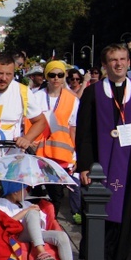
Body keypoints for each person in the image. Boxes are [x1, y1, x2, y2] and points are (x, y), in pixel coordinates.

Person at [76, 43, 131, 260]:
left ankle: (115, 259)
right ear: (105, 65)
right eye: (113, 60)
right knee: (101, 210)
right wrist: (85, 166)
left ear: (129, 63)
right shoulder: (94, 92)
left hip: (128, 164)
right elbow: (84, 132)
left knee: (125, 212)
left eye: (122, 59)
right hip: (101, 163)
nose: (118, 64)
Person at [0, 181, 86, 260]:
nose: (26, 192)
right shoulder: (2, 203)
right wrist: (27, 212)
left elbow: (42, 223)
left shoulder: (26, 203)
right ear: (15, 191)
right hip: (16, 234)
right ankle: (41, 251)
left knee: (62, 236)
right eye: (24, 189)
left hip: (36, 233)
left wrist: (36, 212)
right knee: (31, 213)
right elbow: (6, 222)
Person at [32, 61, 81, 216]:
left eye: (60, 75)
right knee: (38, 193)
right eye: (52, 75)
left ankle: (52, 224)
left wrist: (75, 155)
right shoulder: (36, 97)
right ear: (46, 76)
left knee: (56, 195)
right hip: (38, 153)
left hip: (61, 154)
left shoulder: (72, 99)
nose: (56, 78)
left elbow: (73, 128)